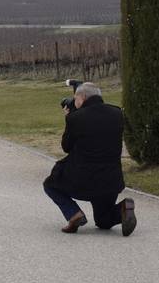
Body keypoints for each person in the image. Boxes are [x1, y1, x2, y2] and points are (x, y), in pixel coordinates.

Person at [42, 82, 137, 236]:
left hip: (83, 180)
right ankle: (124, 208)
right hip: (110, 180)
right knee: (103, 221)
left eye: (76, 99)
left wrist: (69, 118)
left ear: (83, 97)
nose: (74, 102)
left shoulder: (75, 118)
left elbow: (66, 147)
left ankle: (74, 214)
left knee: (50, 184)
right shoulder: (117, 113)